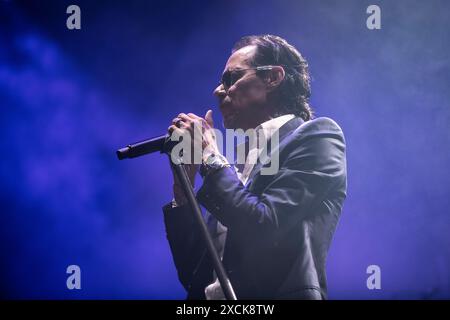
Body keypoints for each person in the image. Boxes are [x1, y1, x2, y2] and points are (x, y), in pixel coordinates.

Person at [162, 34, 347, 300]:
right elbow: (195, 274)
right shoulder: (235, 167)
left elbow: (264, 225)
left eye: (231, 78)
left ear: (272, 77)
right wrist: (184, 187)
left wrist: (211, 157)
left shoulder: (317, 137)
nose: (218, 91)